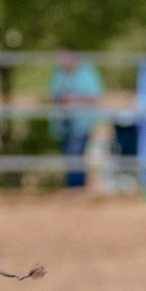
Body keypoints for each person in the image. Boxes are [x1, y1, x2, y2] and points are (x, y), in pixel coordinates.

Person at [48, 49, 104, 189]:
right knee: (70, 157)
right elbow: (53, 95)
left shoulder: (87, 72)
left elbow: (95, 97)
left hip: (82, 123)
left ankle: (76, 188)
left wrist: (74, 99)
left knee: (75, 155)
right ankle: (74, 187)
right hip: (63, 125)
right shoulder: (59, 73)